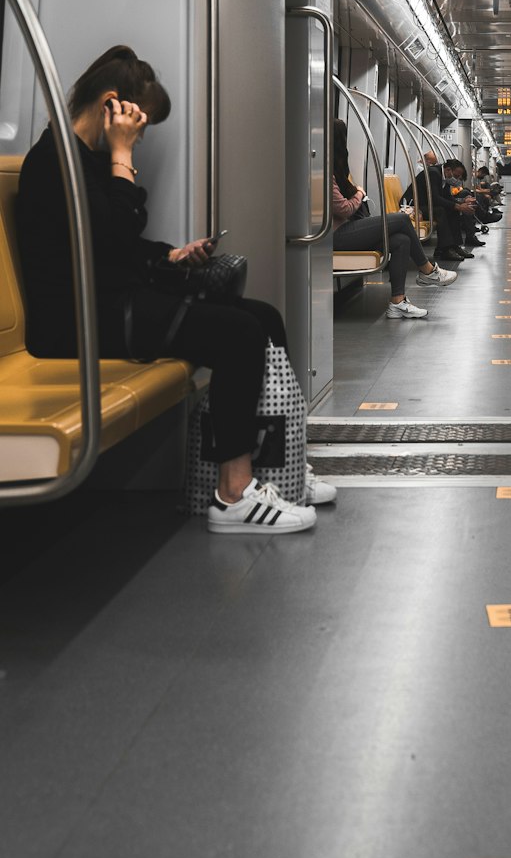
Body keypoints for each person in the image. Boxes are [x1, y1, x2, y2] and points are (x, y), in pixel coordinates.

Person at [15, 44, 331, 536]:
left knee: (264, 318)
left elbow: (112, 247)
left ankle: (279, 471)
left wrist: (169, 256)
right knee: (237, 336)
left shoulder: (86, 160)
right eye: (137, 126)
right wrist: (122, 156)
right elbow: (109, 238)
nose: (137, 139)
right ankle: (233, 494)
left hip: (110, 303)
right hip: (76, 322)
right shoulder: (53, 161)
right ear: (113, 106)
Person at [332, 122, 457, 318]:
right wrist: (359, 193)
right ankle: (427, 270)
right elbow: (344, 208)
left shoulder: (336, 171)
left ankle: (397, 302)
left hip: (345, 229)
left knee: (401, 241)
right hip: (334, 235)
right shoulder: (324, 173)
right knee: (401, 219)